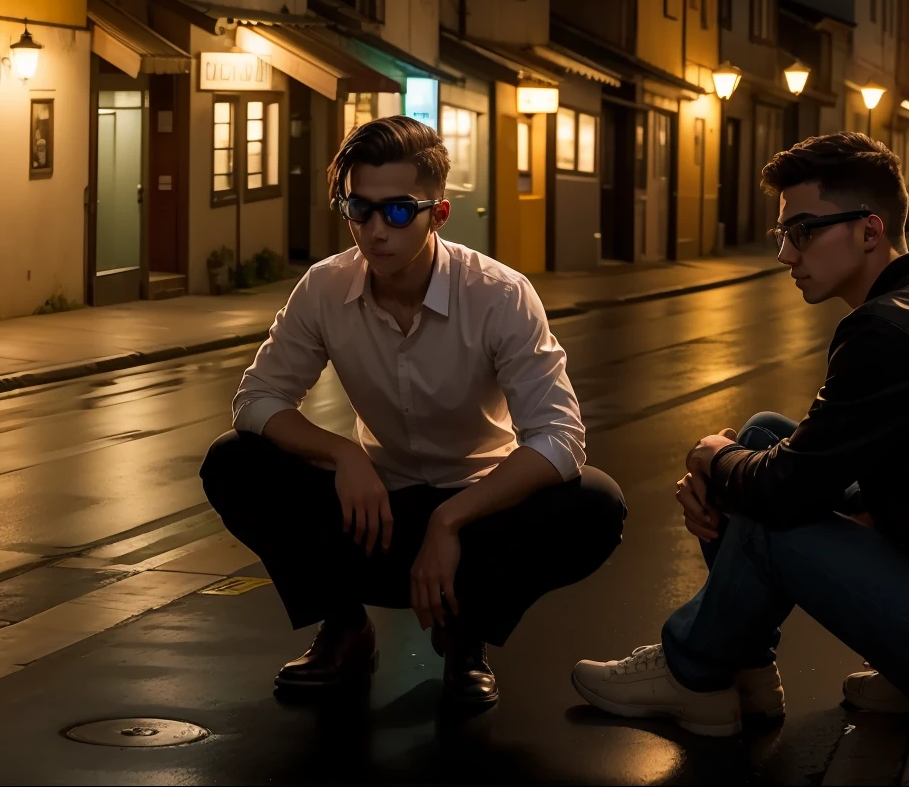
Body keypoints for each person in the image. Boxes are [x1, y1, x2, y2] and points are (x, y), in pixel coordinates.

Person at [570, 131, 909, 736]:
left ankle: (692, 670)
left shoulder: (889, 330)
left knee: (762, 501)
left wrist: (710, 459)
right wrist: (739, 467)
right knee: (762, 434)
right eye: (783, 234)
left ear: (870, 231)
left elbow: (784, 488)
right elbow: (890, 474)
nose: (785, 255)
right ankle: (741, 668)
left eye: (802, 232)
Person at [202, 115, 625, 710]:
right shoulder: (326, 287)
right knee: (234, 461)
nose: (375, 230)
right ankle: (344, 628)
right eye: (359, 210)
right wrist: (342, 453)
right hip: (375, 507)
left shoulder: (499, 294)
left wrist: (450, 521)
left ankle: (465, 636)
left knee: (595, 504)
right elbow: (256, 399)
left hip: (479, 513)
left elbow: (559, 438)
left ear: (439, 214)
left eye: (398, 211)